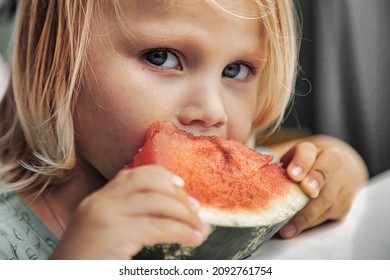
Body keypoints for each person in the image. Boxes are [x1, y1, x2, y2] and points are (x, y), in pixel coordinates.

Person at [0, 0, 368, 260]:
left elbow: (327, 169)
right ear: (55, 61)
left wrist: (337, 169)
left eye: (235, 70)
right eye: (161, 57)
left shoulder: (234, 169)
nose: (212, 111)